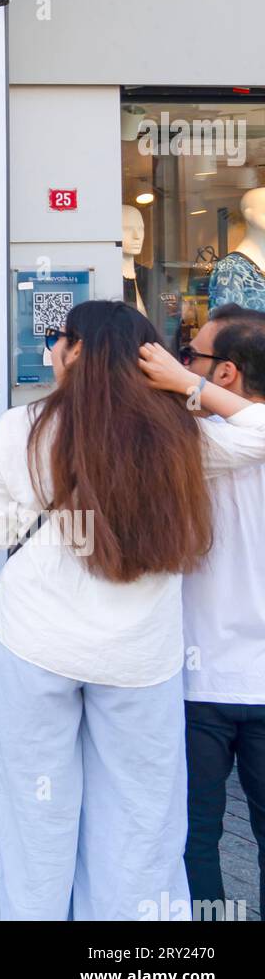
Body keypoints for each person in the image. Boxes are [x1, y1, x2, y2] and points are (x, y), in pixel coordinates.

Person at [0, 300, 265, 921]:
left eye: (57, 340)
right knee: (139, 818)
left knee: (36, 810)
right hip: (139, 653)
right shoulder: (182, 433)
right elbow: (259, 430)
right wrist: (190, 386)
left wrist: (47, 503)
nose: (50, 350)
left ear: (77, 351)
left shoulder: (24, 426)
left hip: (31, 640)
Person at [179, 303, 265, 919]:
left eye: (194, 357)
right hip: (218, 675)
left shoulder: (196, 442)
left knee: (194, 839)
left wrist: (184, 390)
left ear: (226, 373)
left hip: (199, 674)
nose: (183, 364)